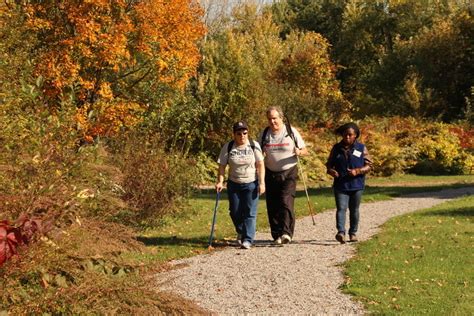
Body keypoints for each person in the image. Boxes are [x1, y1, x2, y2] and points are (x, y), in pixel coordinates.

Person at [259, 106, 308, 245]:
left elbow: (305, 150)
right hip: (270, 172)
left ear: (281, 118)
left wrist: (299, 151)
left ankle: (286, 233)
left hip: (289, 171)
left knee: (285, 201)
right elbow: (258, 152)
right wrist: (260, 155)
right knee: (273, 204)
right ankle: (276, 234)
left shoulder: (290, 131)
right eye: (269, 119)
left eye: (274, 118)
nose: (272, 121)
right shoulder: (264, 134)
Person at [216, 121, 265, 249]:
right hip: (234, 184)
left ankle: (248, 239)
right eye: (239, 133)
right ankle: (242, 231)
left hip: (251, 184)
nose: (242, 136)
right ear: (234, 134)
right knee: (235, 211)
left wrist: (262, 183)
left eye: (245, 133)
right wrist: (220, 181)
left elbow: (260, 164)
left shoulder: (254, 145)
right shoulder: (228, 147)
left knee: (250, 212)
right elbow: (221, 166)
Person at [326, 122, 373, 244]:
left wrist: (357, 171)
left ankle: (353, 233)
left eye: (350, 135)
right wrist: (331, 171)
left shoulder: (361, 148)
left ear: (355, 135)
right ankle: (341, 232)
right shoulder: (336, 148)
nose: (347, 137)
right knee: (341, 208)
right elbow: (329, 165)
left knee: (354, 209)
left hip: (357, 185)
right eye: (345, 135)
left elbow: (369, 166)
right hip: (340, 185)